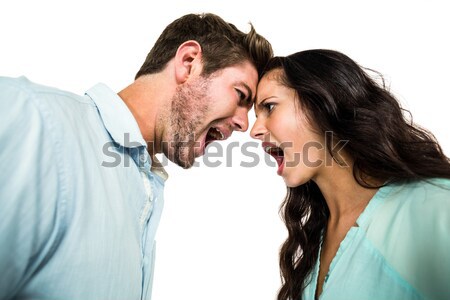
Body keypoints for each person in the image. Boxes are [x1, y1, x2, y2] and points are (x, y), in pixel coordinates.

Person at [0, 13, 273, 300]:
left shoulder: (144, 184)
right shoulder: (33, 117)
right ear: (189, 62)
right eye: (241, 95)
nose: (244, 124)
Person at [250, 49, 450, 300]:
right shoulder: (315, 239)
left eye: (269, 107)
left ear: (323, 103)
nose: (254, 130)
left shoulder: (434, 206)